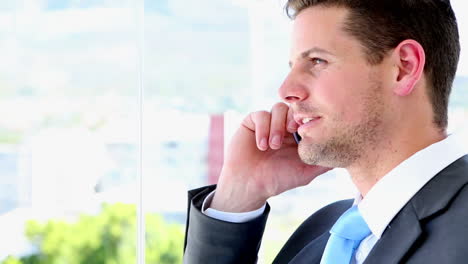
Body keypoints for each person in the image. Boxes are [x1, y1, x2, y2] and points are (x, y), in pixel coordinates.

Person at [183, 0, 468, 263]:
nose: (285, 91)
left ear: (404, 68)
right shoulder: (320, 232)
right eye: (293, 66)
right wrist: (237, 197)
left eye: (317, 61)